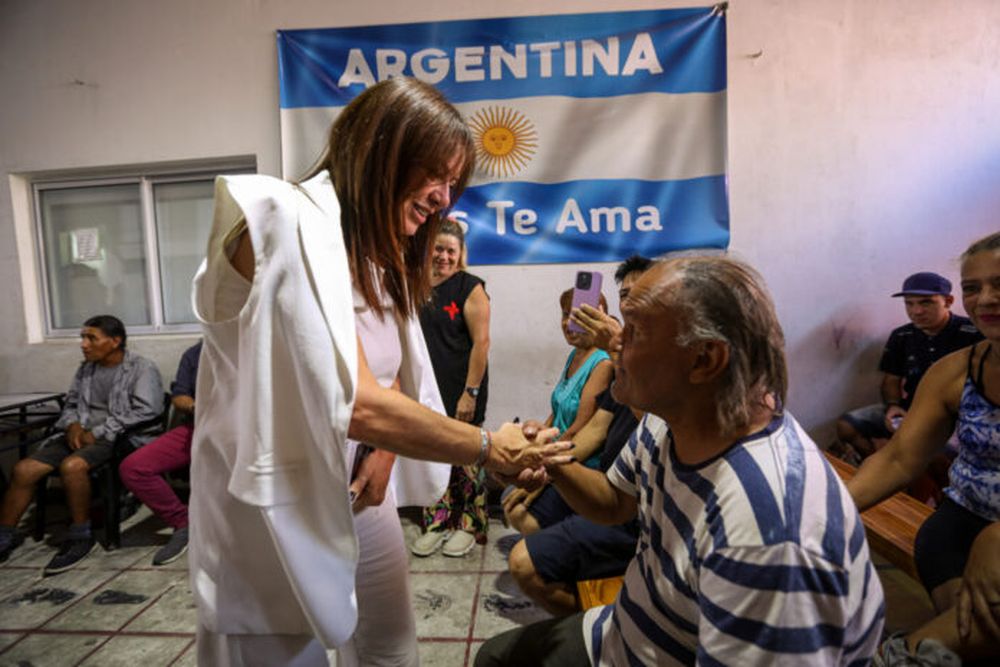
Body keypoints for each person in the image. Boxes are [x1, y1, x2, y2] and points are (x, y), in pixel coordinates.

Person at [189, 77, 567, 667]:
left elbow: (387, 377)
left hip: (360, 489)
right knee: (288, 653)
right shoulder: (284, 220)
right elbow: (352, 399)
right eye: (436, 176)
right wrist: (491, 447)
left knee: (390, 646)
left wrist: (386, 449)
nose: (444, 199)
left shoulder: (376, 256)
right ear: (382, 149)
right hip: (273, 504)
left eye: (453, 185)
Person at [478, 256, 885, 666]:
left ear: (704, 359)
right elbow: (612, 502)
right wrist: (550, 459)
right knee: (495, 657)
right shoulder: (667, 422)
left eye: (633, 333)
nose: (614, 345)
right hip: (627, 629)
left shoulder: (768, 535)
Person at [848, 232, 1000, 666]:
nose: (985, 299)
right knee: (975, 636)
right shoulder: (954, 372)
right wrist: (825, 515)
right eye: (973, 287)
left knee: (962, 640)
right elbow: (899, 458)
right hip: (958, 528)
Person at [506, 257, 653, 616]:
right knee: (514, 501)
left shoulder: (626, 360)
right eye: (624, 295)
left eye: (640, 294)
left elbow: (640, 416)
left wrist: (541, 468)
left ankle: (600, 622)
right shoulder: (610, 358)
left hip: (639, 506)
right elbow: (598, 427)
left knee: (523, 553)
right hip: (610, 483)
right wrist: (538, 456)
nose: (629, 303)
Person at [0, 315, 164, 574]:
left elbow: (148, 409)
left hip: (118, 438)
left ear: (114, 341)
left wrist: (98, 431)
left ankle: (80, 534)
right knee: (24, 469)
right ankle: (5, 536)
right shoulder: (86, 369)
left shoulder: (141, 368)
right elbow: (72, 405)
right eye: (83, 338)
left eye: (91, 338)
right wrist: (72, 425)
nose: (84, 344)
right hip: (80, 435)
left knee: (72, 466)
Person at [835, 271, 982, 464]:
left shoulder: (974, 333)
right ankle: (881, 470)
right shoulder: (901, 336)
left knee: (941, 453)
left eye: (926, 302)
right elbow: (891, 380)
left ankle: (938, 492)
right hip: (912, 409)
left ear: (948, 301)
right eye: (909, 303)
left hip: (958, 415)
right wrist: (893, 406)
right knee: (846, 426)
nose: (916, 311)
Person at [411, 218, 492, 558]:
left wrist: (469, 393)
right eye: (438, 249)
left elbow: (482, 343)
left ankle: (469, 524)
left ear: (460, 254)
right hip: (428, 388)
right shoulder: (414, 284)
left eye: (450, 251)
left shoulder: (470, 287)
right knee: (432, 453)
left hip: (463, 388)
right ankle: (438, 521)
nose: (443, 256)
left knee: (465, 454)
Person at [502, 284, 613, 533]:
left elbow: (579, 429)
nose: (568, 323)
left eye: (577, 315)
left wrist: (542, 465)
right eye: (565, 315)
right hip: (556, 452)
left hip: (578, 461)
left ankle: (555, 557)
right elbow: (558, 411)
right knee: (504, 474)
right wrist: (538, 434)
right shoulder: (575, 355)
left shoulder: (602, 362)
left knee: (518, 512)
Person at [119, 340, 201, 566]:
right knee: (134, 468)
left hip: (247, 433)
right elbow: (180, 395)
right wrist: (197, 407)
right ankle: (183, 523)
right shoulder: (195, 353)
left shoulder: (253, 349)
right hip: (200, 427)